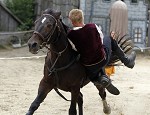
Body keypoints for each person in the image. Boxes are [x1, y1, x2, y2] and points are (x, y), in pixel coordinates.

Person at [67, 9, 136, 95]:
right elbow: (101, 39)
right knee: (109, 39)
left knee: (90, 63)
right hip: (102, 59)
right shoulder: (92, 26)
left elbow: (75, 49)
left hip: (88, 65)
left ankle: (100, 79)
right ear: (82, 18)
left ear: (71, 21)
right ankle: (127, 61)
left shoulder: (70, 35)